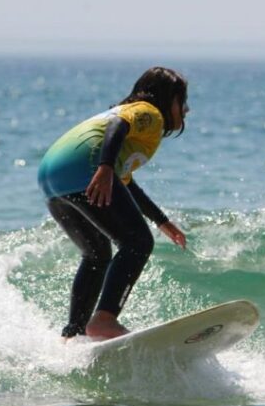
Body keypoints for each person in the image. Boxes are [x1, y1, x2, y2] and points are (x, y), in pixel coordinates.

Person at [38, 67, 189, 340]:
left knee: (97, 253)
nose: (186, 110)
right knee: (138, 243)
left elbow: (126, 183)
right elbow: (117, 127)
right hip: (85, 168)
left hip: (54, 177)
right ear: (167, 99)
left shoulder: (133, 120)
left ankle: (74, 334)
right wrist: (105, 166)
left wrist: (161, 221)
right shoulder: (149, 112)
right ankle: (105, 319)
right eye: (182, 101)